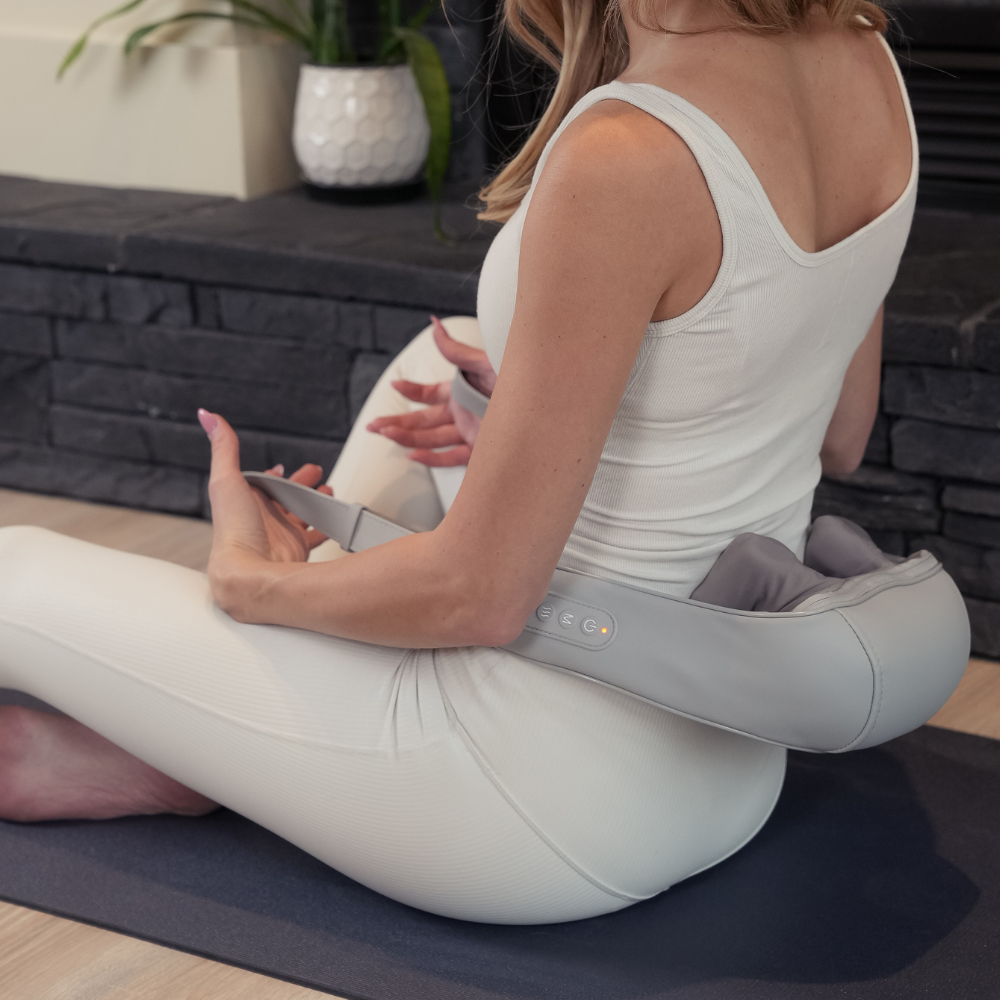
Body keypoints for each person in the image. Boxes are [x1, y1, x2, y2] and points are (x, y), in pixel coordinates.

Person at [0, 0, 914, 923]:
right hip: (731, 764)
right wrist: (541, 433)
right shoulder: (861, 56)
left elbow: (481, 597)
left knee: (15, 575)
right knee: (443, 358)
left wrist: (246, 585)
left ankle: (257, 681)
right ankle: (214, 741)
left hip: (532, 805)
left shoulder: (628, 149)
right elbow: (838, 430)